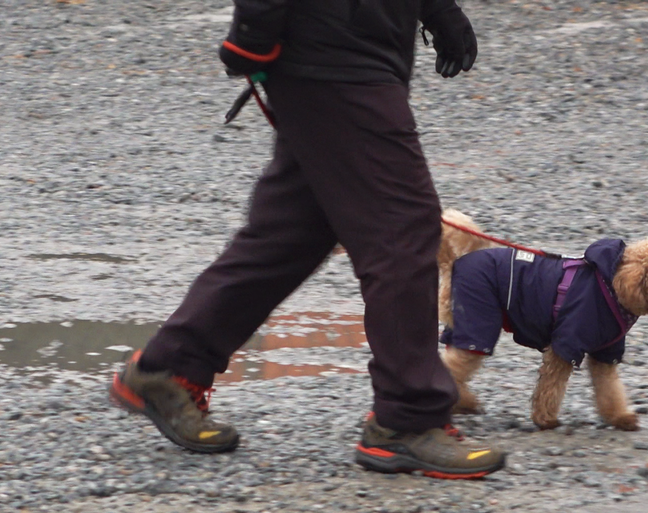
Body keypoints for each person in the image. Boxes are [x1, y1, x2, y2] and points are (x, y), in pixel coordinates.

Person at [108, 0, 506, 479]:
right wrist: (252, 34)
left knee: (291, 234)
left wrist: (437, 10)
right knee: (402, 229)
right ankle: (408, 418)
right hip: (331, 55)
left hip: (355, 47)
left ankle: (170, 368)